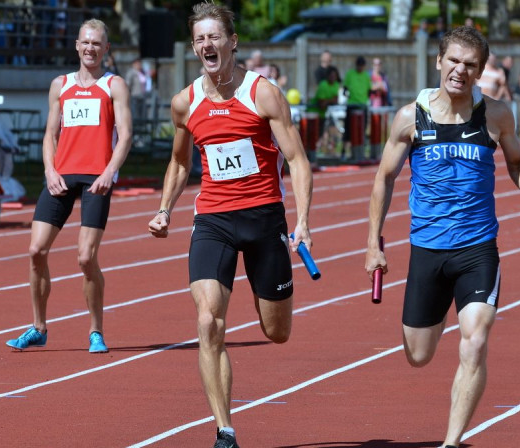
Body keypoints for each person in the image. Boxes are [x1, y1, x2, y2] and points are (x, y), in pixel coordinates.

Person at [364, 26, 520, 448]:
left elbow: (518, 160)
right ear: (439, 62)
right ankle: (437, 311)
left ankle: (451, 443)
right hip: (427, 249)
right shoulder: (411, 117)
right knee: (418, 354)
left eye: (470, 65)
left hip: (477, 249)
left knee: (476, 341)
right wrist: (373, 242)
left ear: (480, 71)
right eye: (454, 61)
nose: (460, 71)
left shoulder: (497, 115)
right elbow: (384, 178)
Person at [147, 4, 313, 448]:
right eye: (200, 39)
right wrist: (165, 208)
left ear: (232, 41)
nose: (207, 45)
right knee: (208, 322)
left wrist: (302, 221)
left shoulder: (263, 95)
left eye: (214, 37)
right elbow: (180, 161)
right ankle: (225, 430)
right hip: (214, 221)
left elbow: (296, 160)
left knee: (277, 332)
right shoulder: (186, 102)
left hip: (263, 220)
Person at [5, 19, 132, 354]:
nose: (90, 49)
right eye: (85, 43)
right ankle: (38, 327)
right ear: (77, 45)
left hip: (96, 178)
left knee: (86, 257)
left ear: (106, 49)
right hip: (61, 174)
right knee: (35, 251)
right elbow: (51, 134)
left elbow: (127, 135)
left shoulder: (114, 85)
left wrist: (110, 172)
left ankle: (95, 331)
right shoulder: (59, 85)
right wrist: (49, 169)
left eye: (97, 44)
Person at [342, 55, 371, 160]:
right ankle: (344, 152)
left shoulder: (366, 76)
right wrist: (347, 94)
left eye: (361, 66)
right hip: (352, 105)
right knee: (348, 130)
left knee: (361, 130)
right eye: (358, 66)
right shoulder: (350, 74)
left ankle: (360, 153)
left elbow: (369, 90)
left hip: (362, 106)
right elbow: (345, 89)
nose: (360, 68)